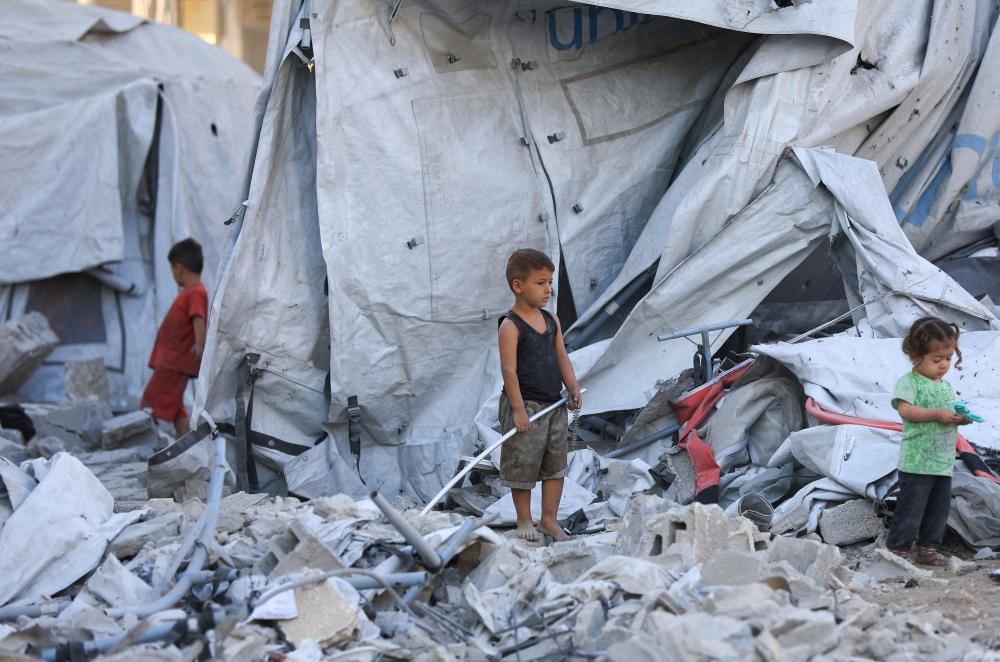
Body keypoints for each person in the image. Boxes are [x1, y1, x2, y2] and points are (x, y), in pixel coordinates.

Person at [498, 249, 582, 542]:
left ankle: (549, 520)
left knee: (554, 465)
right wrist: (519, 410)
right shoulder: (510, 326)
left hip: (554, 405)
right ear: (518, 286)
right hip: (527, 406)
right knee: (523, 464)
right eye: (540, 283)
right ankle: (524, 520)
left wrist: (571, 387)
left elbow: (561, 356)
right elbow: (509, 370)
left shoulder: (552, 320)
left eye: (550, 282)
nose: (548, 289)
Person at [886, 316, 971, 566]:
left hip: (941, 461)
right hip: (917, 461)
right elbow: (905, 410)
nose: (944, 365)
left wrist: (960, 419)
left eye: (948, 358)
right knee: (911, 509)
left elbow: (946, 413)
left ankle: (927, 550)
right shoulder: (910, 382)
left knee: (938, 510)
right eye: (937, 360)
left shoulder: (944, 385)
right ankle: (896, 551)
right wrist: (936, 414)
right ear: (915, 356)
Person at [141, 238, 208, 438]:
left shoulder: (196, 292)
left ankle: (147, 445)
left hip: (173, 362)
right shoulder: (190, 292)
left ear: (178, 268)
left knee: (149, 402)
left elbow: (199, 318)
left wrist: (199, 345)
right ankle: (186, 448)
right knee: (177, 409)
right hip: (172, 361)